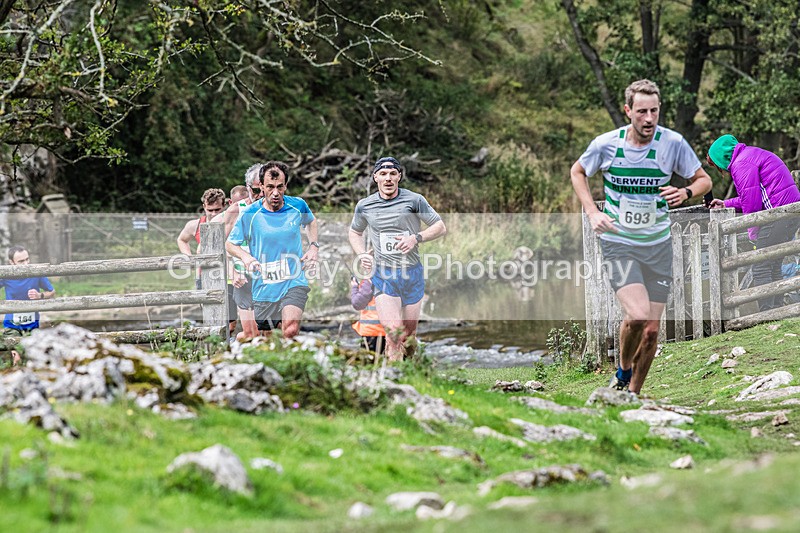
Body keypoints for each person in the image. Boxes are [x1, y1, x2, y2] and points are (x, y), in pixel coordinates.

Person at [570, 79, 712, 395]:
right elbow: (577, 171)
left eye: (654, 111)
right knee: (636, 315)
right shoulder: (607, 144)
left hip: (658, 245)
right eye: (642, 112)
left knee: (650, 331)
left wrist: (686, 191)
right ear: (628, 111)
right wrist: (593, 211)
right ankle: (622, 372)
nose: (649, 119)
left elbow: (704, 180)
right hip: (619, 242)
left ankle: (632, 395)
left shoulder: (672, 144)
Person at [348, 156, 447, 362]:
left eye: (393, 174)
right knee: (393, 334)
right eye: (383, 174)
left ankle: (410, 370)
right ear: (376, 177)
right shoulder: (365, 205)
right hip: (383, 274)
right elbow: (354, 232)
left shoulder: (414, 200)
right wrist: (363, 254)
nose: (388, 178)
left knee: (408, 337)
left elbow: (440, 226)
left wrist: (416, 238)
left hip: (412, 273)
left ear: (399, 176)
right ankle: (394, 380)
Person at [226, 161, 319, 339]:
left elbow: (311, 221)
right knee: (264, 335)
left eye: (280, 187)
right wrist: (245, 257)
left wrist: (313, 246)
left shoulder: (297, 206)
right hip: (264, 285)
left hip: (293, 280)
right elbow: (230, 244)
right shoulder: (250, 214)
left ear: (286, 186)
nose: (275, 193)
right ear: (261, 186)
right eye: (270, 187)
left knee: (290, 330)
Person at [707, 134, 800, 311]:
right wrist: (725, 203)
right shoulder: (751, 154)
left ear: (721, 158)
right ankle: (778, 310)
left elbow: (752, 203)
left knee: (761, 266)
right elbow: (754, 195)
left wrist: (753, 233)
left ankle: (767, 313)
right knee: (773, 265)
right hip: (791, 212)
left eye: (716, 164)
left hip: (777, 215)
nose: (720, 169)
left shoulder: (741, 164)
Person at [212, 168, 263, 340]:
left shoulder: (278, 208)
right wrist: (232, 271)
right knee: (251, 333)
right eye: (256, 190)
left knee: (269, 333)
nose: (261, 194)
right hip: (244, 276)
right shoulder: (237, 210)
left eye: (264, 189)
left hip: (270, 278)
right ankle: (234, 351)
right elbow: (219, 244)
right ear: (248, 187)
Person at [1, 245, 56, 365]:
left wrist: (39, 295)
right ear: (11, 262)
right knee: (17, 356)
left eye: (27, 259)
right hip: (12, 324)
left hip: (33, 323)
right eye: (21, 261)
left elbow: (52, 292)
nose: (26, 264)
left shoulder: (35, 272)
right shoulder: (6, 275)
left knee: (32, 357)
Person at [212, 184, 251, 337]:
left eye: (245, 202)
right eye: (238, 203)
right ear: (230, 203)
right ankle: (224, 350)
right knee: (230, 322)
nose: (242, 206)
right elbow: (203, 248)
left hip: (247, 273)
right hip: (227, 276)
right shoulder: (221, 219)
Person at [350, 276, 386, 354]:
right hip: (392, 332)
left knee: (369, 363)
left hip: (371, 332)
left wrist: (355, 287)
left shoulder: (369, 282)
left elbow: (357, 304)